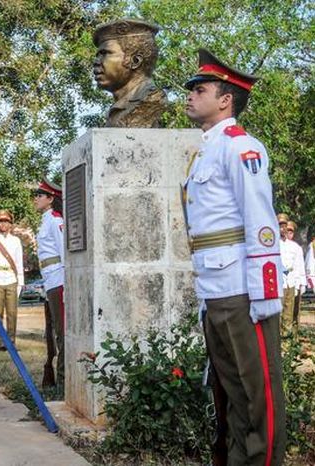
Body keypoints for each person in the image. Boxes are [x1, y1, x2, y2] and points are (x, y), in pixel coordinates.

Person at [183, 49, 286, 465]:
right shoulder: (204, 152)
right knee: (232, 395)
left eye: (200, 89)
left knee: (260, 396)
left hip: (244, 293)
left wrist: (265, 294)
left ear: (225, 99)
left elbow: (261, 222)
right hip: (215, 290)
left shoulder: (240, 147)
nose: (190, 95)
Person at [92, 19, 167, 127]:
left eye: (105, 53)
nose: (96, 62)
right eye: (97, 55)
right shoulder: (117, 109)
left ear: (135, 61)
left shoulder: (151, 101)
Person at [34, 179, 65, 389]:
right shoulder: (45, 220)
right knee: (51, 330)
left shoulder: (55, 220)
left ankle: (63, 379)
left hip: (58, 278)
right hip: (49, 278)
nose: (35, 199)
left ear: (51, 198)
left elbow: (64, 253)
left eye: (39, 195)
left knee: (61, 331)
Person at [0, 209, 24, 350]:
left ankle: (11, 342)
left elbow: (19, 263)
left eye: (6, 221)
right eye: (1, 221)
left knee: (12, 313)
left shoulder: (16, 241)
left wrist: (21, 283)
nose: (3, 224)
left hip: (12, 279)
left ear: (10, 223)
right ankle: (0, 343)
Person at [278, 214, 305, 331]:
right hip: (278, 283)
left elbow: (299, 266)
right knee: (277, 314)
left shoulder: (295, 247)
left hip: (291, 282)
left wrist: (301, 284)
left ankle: (287, 343)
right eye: (280, 226)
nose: (283, 229)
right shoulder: (272, 244)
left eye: (285, 225)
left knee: (289, 314)